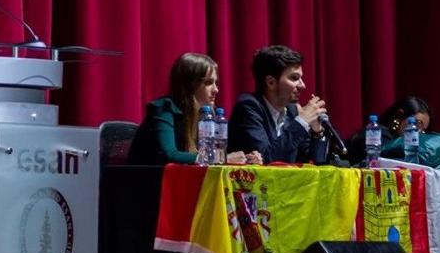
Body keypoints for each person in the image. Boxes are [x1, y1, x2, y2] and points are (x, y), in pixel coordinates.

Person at [127, 52, 259, 165]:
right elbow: (169, 155)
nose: (216, 90)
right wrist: (220, 159)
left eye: (215, 83)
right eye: (208, 83)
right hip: (147, 187)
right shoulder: (164, 109)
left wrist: (246, 158)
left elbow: (224, 152)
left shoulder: (207, 114)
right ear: (189, 85)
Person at [227, 45, 329, 164]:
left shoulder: (292, 110)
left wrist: (318, 132)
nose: (303, 85)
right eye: (294, 78)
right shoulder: (248, 107)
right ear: (271, 82)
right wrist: (302, 122)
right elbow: (266, 160)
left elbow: (313, 162)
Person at [346, 95, 440, 169]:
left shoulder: (399, 141)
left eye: (423, 130)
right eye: (416, 124)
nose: (417, 132)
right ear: (399, 117)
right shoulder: (378, 136)